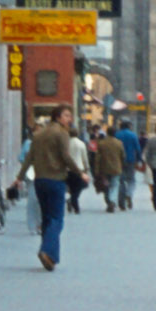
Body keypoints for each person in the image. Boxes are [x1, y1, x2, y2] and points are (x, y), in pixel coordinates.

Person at [14, 105, 82, 269]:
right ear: (58, 117)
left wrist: (19, 177)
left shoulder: (38, 134)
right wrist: (80, 173)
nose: (69, 119)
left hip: (40, 180)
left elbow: (30, 157)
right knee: (57, 219)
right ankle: (46, 250)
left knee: (46, 218)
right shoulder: (62, 133)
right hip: (56, 179)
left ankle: (51, 259)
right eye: (66, 116)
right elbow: (66, 156)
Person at [93, 123, 125, 214]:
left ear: (107, 133)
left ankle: (108, 201)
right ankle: (112, 201)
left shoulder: (101, 143)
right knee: (115, 185)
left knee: (106, 185)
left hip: (104, 168)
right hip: (116, 167)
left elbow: (97, 158)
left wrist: (96, 169)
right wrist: (121, 164)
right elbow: (123, 156)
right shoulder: (119, 143)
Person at [114, 119, 141, 212]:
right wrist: (139, 160)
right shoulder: (133, 135)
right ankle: (129, 194)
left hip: (119, 160)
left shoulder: (117, 134)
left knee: (121, 180)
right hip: (131, 160)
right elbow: (138, 148)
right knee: (131, 179)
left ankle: (121, 203)